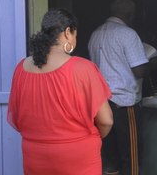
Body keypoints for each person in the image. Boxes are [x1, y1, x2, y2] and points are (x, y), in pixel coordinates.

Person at [7, 9, 113, 175]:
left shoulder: (21, 68)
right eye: (75, 35)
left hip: (35, 155)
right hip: (77, 156)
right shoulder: (83, 68)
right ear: (67, 32)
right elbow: (106, 121)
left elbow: (17, 118)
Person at [88, 0, 157, 175]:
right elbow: (139, 71)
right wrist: (154, 63)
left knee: (109, 158)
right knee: (131, 156)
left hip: (102, 104)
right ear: (130, 14)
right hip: (124, 104)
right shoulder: (128, 34)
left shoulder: (95, 34)